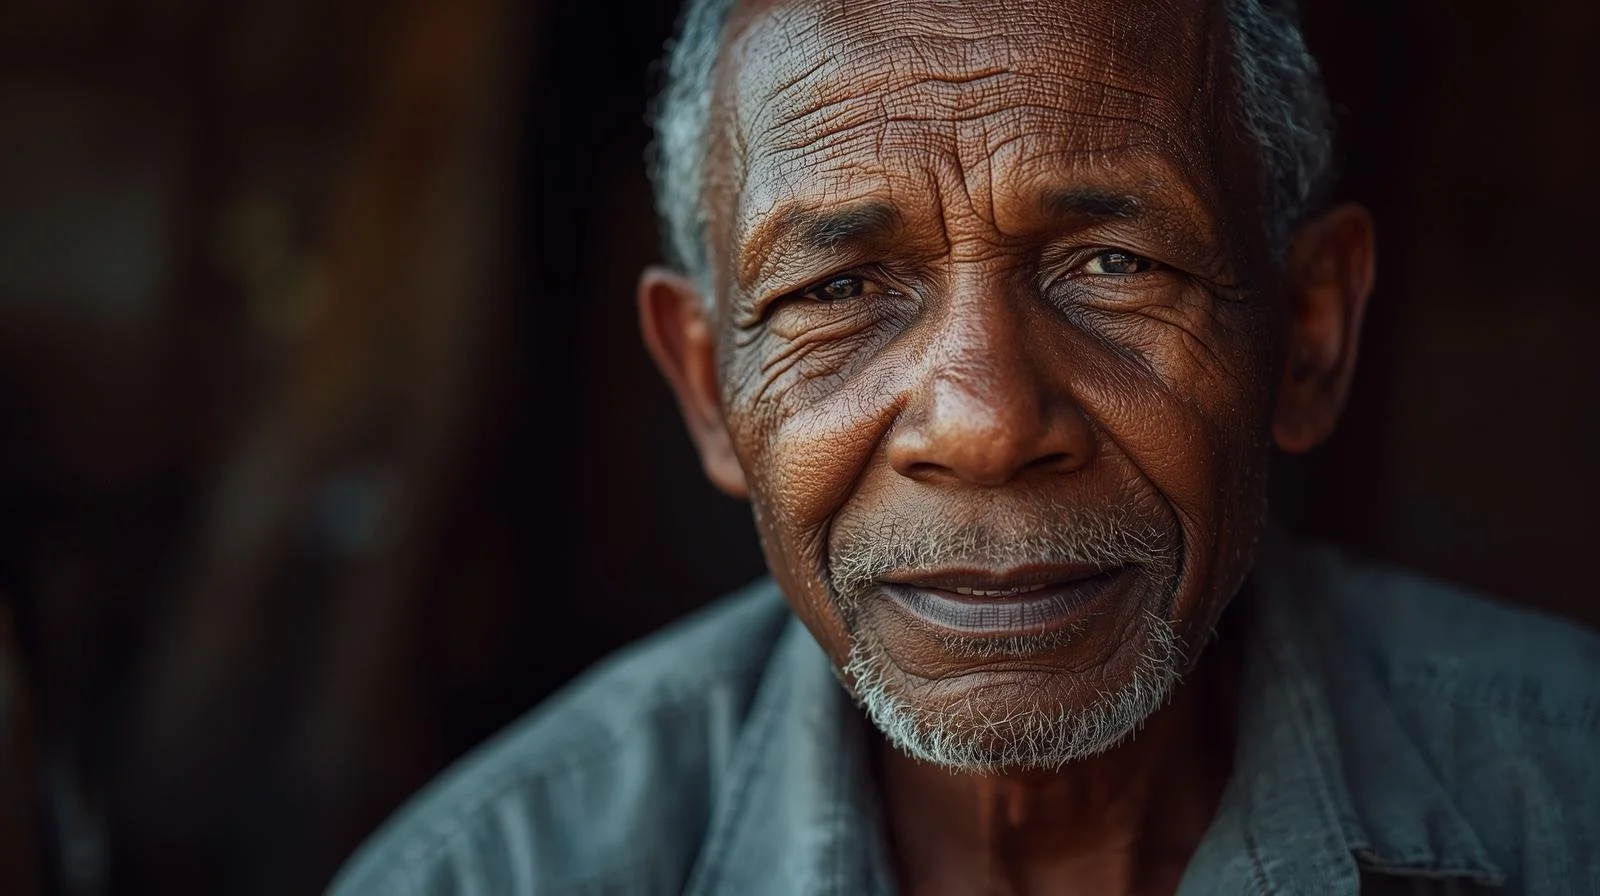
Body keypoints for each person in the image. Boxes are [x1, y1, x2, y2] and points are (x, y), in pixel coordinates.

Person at [329, 0, 1600, 892]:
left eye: (1112, 264)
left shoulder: (1564, 800)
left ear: (1308, 333)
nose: (985, 424)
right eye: (837, 289)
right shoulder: (494, 871)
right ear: (711, 388)